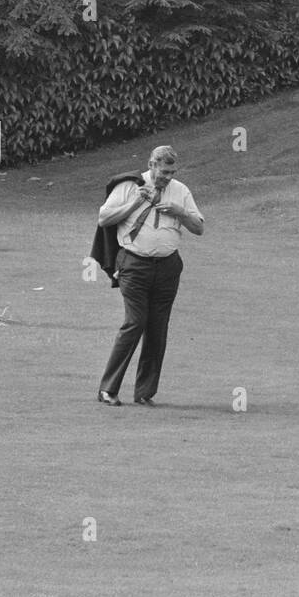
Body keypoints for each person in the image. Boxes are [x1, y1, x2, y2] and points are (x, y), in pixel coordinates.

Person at [95, 145, 204, 405]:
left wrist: (179, 212)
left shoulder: (180, 191)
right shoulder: (130, 186)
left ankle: (144, 393)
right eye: (163, 171)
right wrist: (135, 203)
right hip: (134, 264)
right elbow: (104, 219)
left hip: (168, 266)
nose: (166, 177)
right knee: (135, 322)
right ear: (151, 165)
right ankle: (107, 389)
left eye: (171, 172)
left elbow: (198, 228)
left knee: (157, 328)